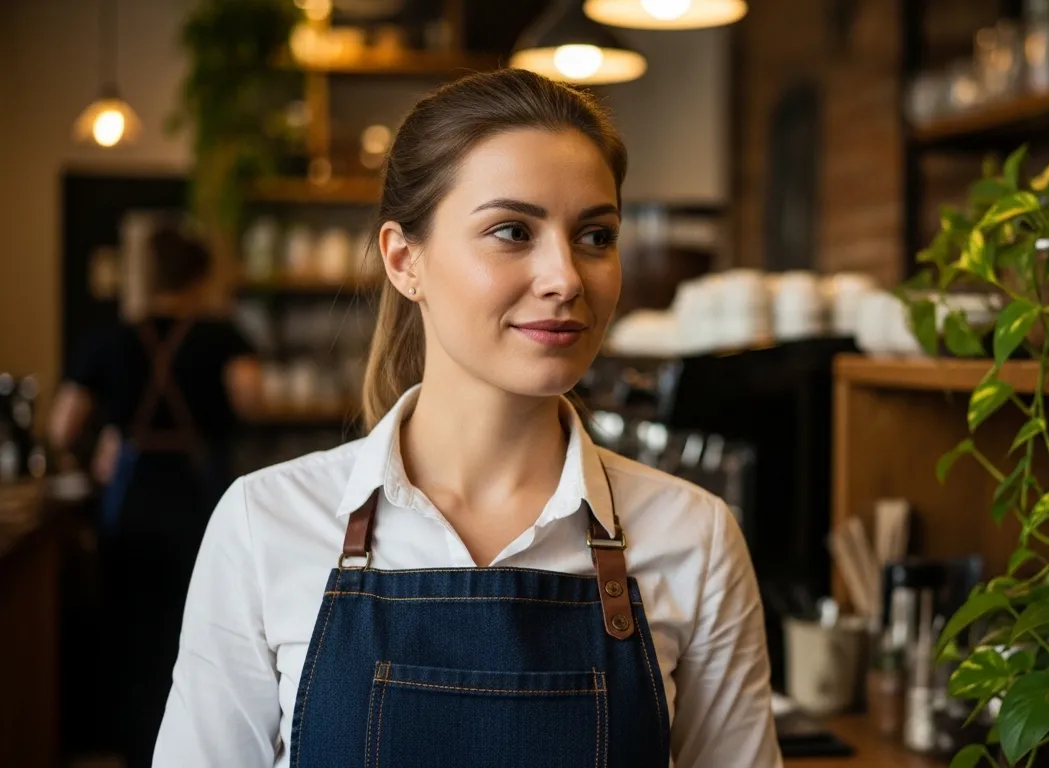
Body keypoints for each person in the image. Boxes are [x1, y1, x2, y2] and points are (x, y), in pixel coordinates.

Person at [153, 69, 782, 767]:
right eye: (512, 230)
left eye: (596, 236)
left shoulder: (694, 539)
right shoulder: (266, 524)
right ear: (404, 259)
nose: (567, 278)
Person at [49, 224, 261, 767]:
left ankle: (135, 748)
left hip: (131, 498)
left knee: (128, 631)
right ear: (199, 275)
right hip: (198, 495)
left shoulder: (108, 340)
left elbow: (62, 426)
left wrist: (96, 454)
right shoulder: (223, 337)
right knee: (198, 627)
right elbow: (251, 401)